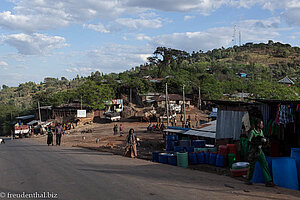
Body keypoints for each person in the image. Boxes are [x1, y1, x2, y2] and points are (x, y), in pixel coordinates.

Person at [246, 119, 275, 187]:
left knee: (265, 164)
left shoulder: (261, 131)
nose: (262, 125)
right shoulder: (252, 132)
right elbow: (248, 142)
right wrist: (256, 143)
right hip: (254, 151)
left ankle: (268, 181)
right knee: (252, 166)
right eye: (261, 124)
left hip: (260, 151)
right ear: (257, 125)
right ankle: (248, 180)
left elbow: (262, 139)